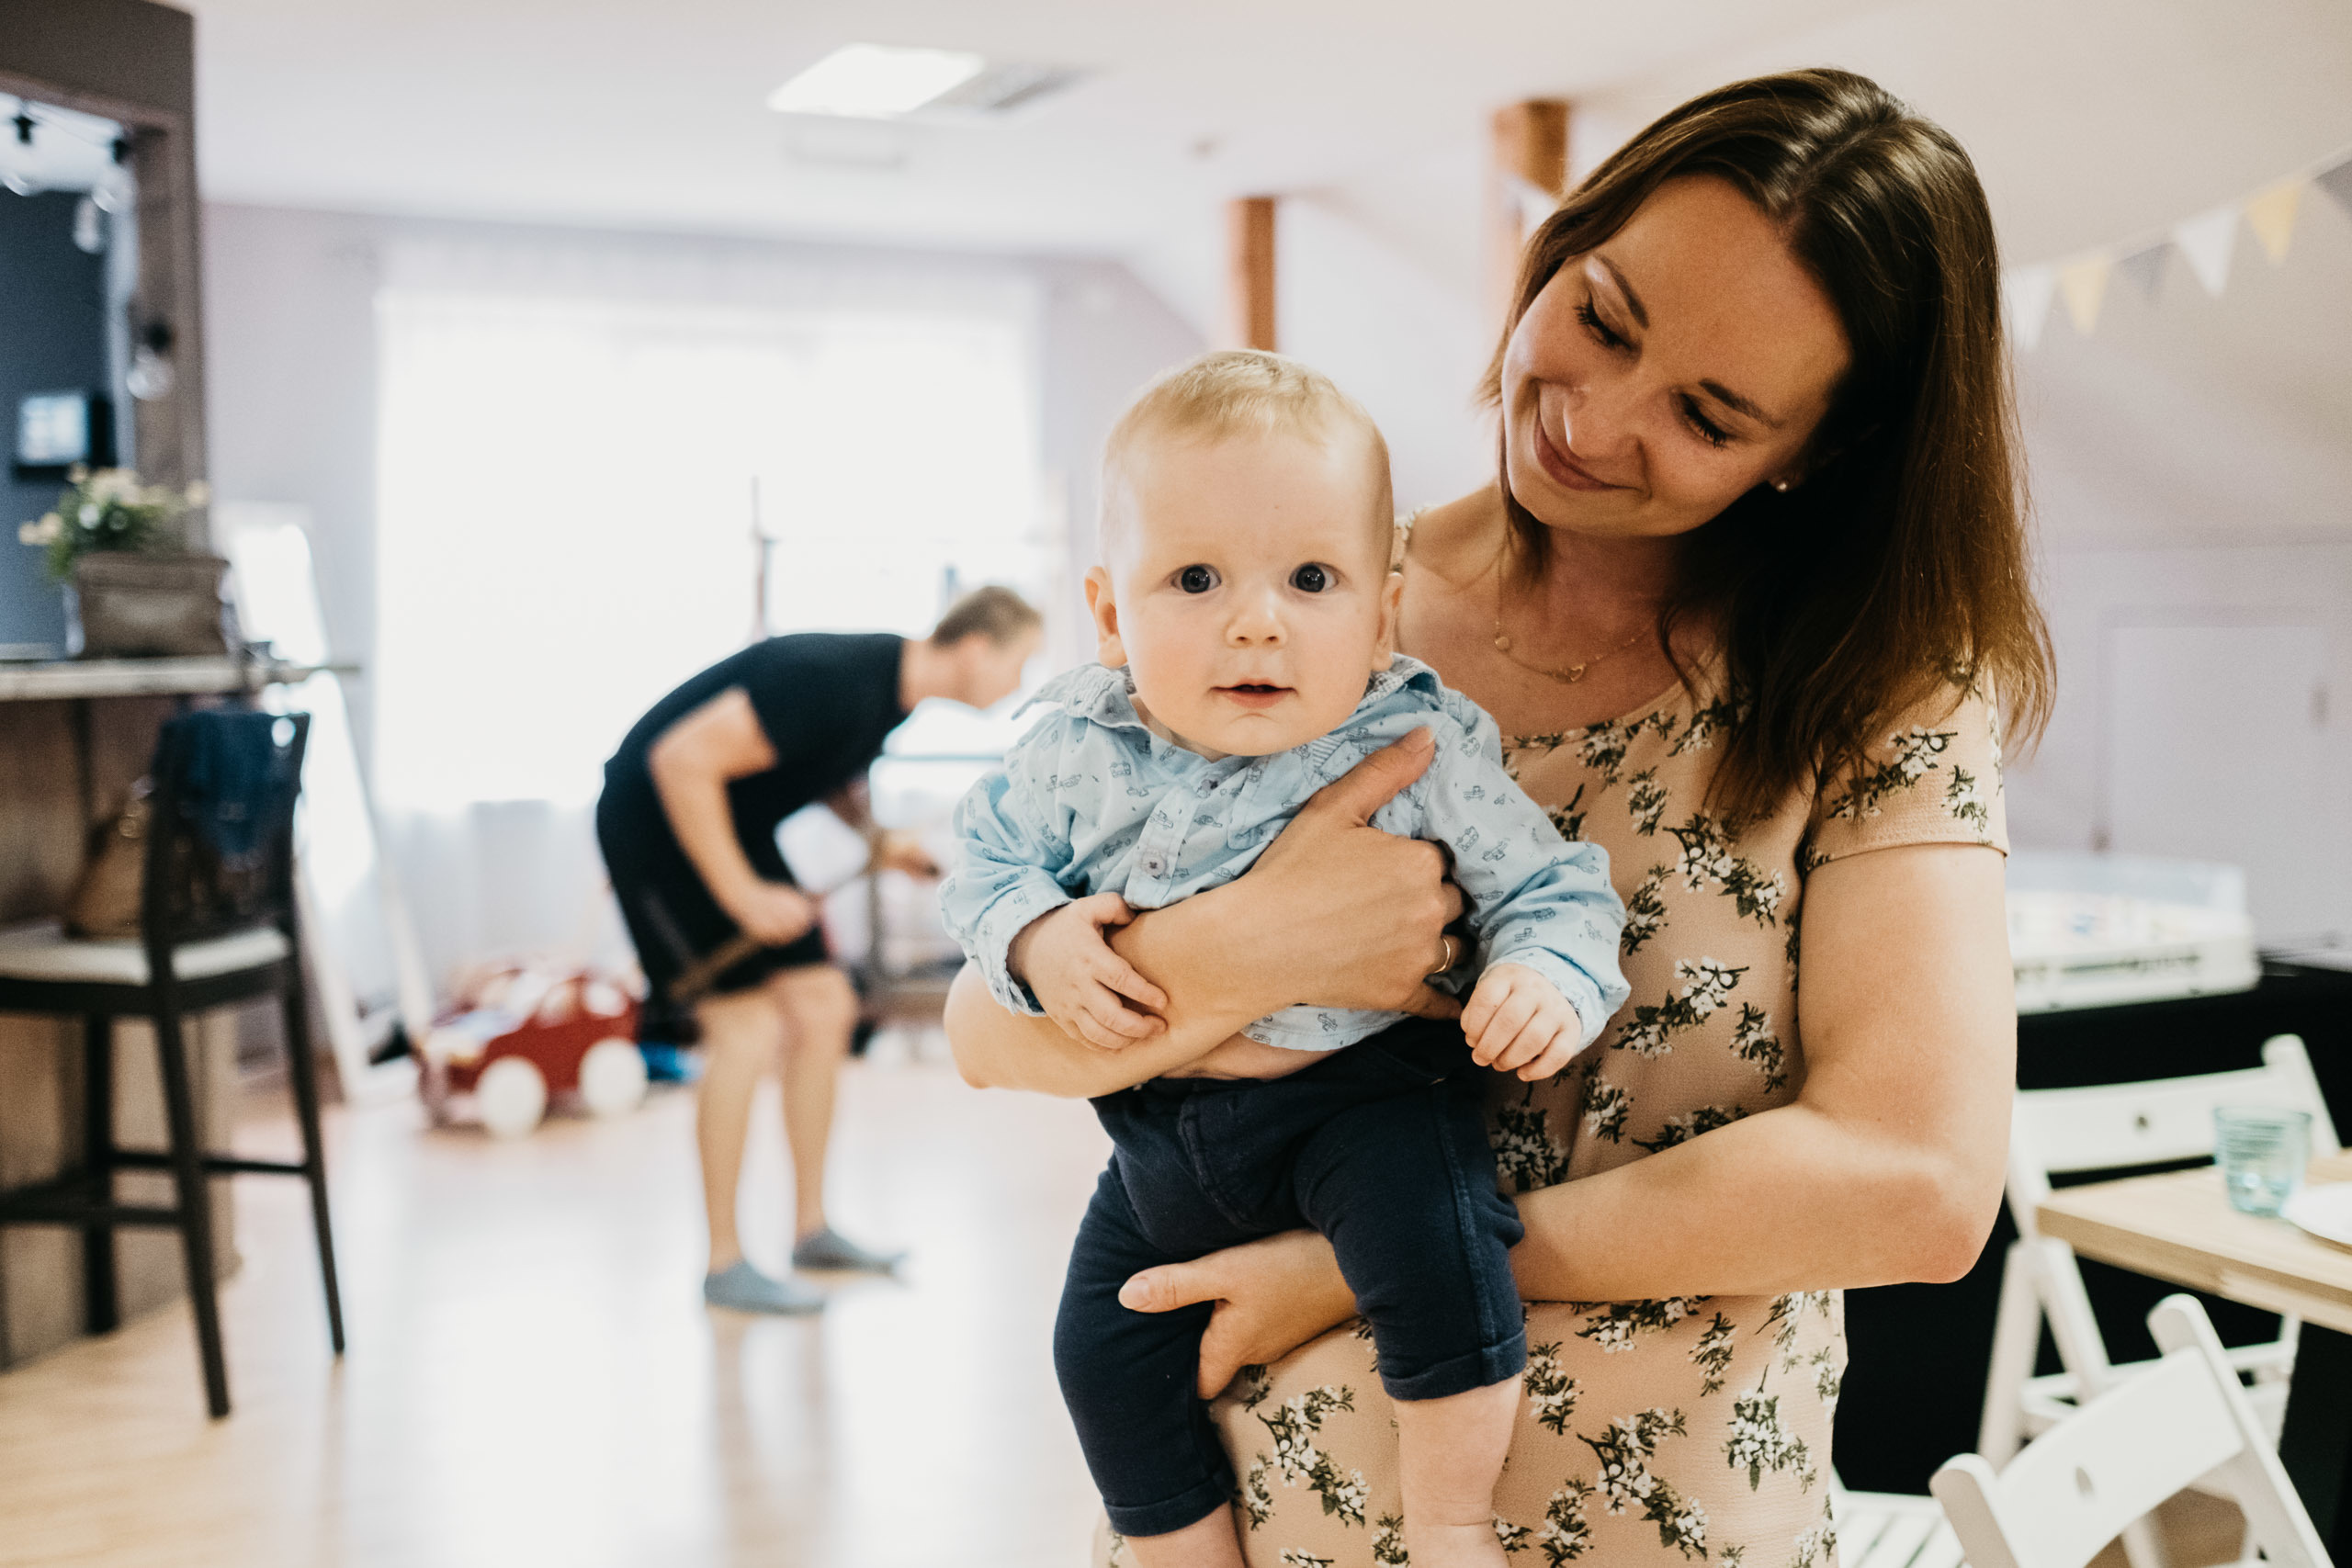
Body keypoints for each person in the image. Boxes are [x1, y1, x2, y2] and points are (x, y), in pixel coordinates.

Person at [947, 67, 2051, 1563]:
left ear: (1816, 449)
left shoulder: (1877, 687)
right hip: (1239, 1518)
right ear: (1559, 243)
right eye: (1603, 316)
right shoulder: (1302, 598)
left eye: (1708, 413)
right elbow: (986, 1032)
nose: (1595, 418)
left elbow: (1917, 1184)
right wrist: (1254, 947)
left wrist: (1360, 1267)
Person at [942, 353, 1630, 1568]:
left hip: (1360, 1108)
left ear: (1380, 613)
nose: (1255, 620)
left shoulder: (1416, 746)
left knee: (1445, 1253)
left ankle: (1451, 1521)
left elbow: (1552, 884)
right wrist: (1036, 934)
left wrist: (1545, 974)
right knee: (1098, 1347)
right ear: (1110, 613)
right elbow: (985, 868)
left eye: (1311, 580)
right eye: (1194, 578)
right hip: (1159, 1135)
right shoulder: (1072, 752)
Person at [599, 586, 1043, 1314]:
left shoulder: (890, 696)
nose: (1017, 684)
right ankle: (723, 1262)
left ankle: (812, 1231)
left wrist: (878, 842)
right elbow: (680, 760)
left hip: (734, 825)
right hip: (655, 824)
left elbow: (822, 768)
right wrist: (742, 892)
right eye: (1018, 663)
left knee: (825, 1006)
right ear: (974, 647)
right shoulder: (835, 677)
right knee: (745, 1027)